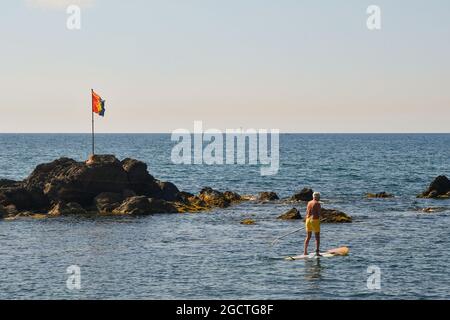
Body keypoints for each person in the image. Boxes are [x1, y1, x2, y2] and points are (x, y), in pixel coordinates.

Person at [304, 192, 321, 256]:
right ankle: (317, 252)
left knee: (308, 236)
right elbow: (319, 214)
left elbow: (307, 212)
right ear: (317, 197)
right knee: (317, 237)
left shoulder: (309, 202)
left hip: (308, 220)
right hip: (315, 220)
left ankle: (305, 252)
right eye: (319, 197)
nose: (319, 198)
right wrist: (320, 220)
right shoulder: (317, 203)